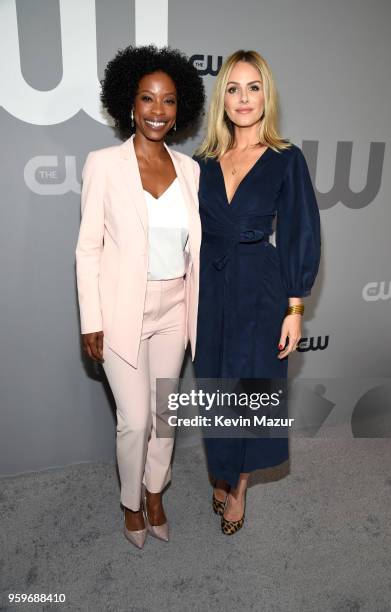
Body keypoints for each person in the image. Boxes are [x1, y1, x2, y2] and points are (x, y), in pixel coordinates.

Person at [75, 45, 204, 548]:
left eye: (168, 101)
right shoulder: (104, 165)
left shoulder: (191, 172)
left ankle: (156, 492)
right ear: (130, 104)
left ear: (179, 109)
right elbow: (87, 249)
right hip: (123, 311)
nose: (157, 110)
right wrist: (92, 319)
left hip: (176, 308)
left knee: (165, 414)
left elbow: (194, 252)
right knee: (135, 421)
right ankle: (130, 501)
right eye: (147, 99)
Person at [193, 50, 321, 535]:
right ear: (221, 98)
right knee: (216, 389)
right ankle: (221, 469)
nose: (243, 98)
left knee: (254, 391)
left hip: (261, 287)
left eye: (253, 87)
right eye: (232, 88)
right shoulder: (201, 162)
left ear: (266, 95)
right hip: (208, 288)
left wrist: (294, 306)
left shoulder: (286, 159)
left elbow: (299, 232)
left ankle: (239, 485)